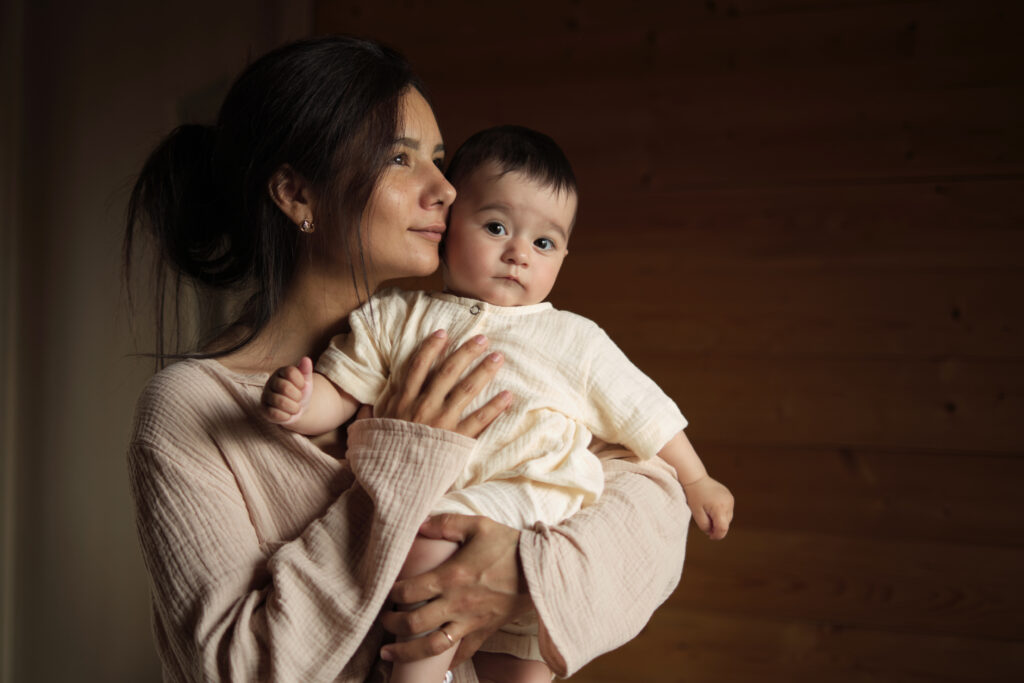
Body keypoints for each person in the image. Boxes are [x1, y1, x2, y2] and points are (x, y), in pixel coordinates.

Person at [124, 36, 692, 683]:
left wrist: (521, 571)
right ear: (298, 194)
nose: (446, 189)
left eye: (442, 160)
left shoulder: (459, 345)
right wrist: (401, 461)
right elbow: (241, 665)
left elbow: (658, 496)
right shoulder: (189, 409)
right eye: (401, 157)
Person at [261, 125, 734, 683]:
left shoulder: (575, 340)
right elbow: (344, 390)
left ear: (563, 254)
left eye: (543, 243)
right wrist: (302, 403)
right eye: (495, 227)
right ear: (448, 229)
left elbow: (645, 415)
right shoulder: (399, 316)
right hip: (450, 506)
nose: (517, 254)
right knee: (439, 590)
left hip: (541, 510)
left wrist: (698, 479)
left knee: (446, 586)